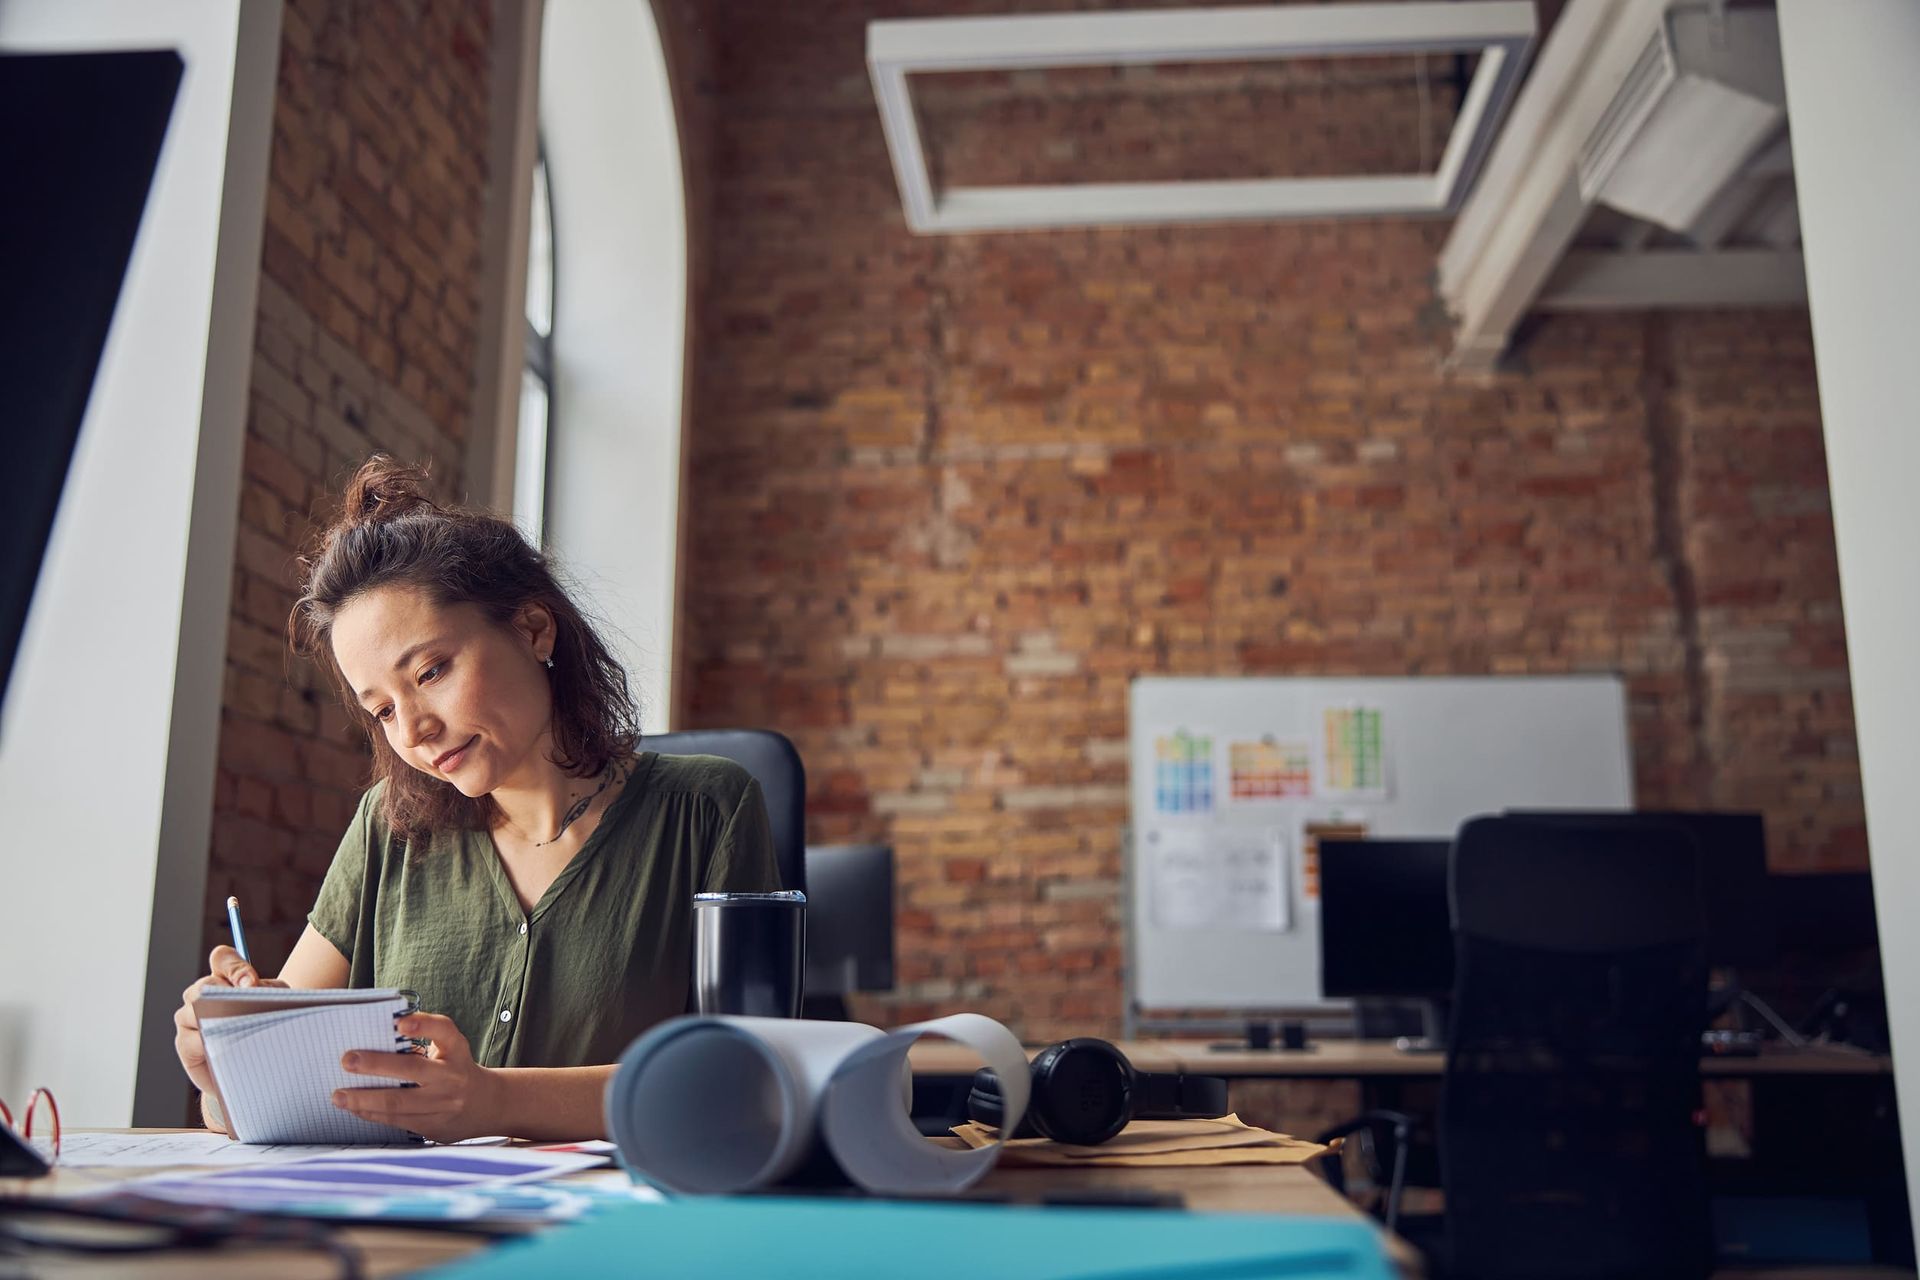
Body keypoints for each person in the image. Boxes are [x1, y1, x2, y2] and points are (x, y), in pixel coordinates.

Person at [171, 456, 781, 1141]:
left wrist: (493, 1101)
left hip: (612, 1233)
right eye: (381, 712)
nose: (415, 730)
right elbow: (272, 1099)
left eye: (430, 671)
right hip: (406, 1231)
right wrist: (223, 1067)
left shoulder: (707, 809)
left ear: (532, 630)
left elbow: (743, 1080)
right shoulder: (388, 826)